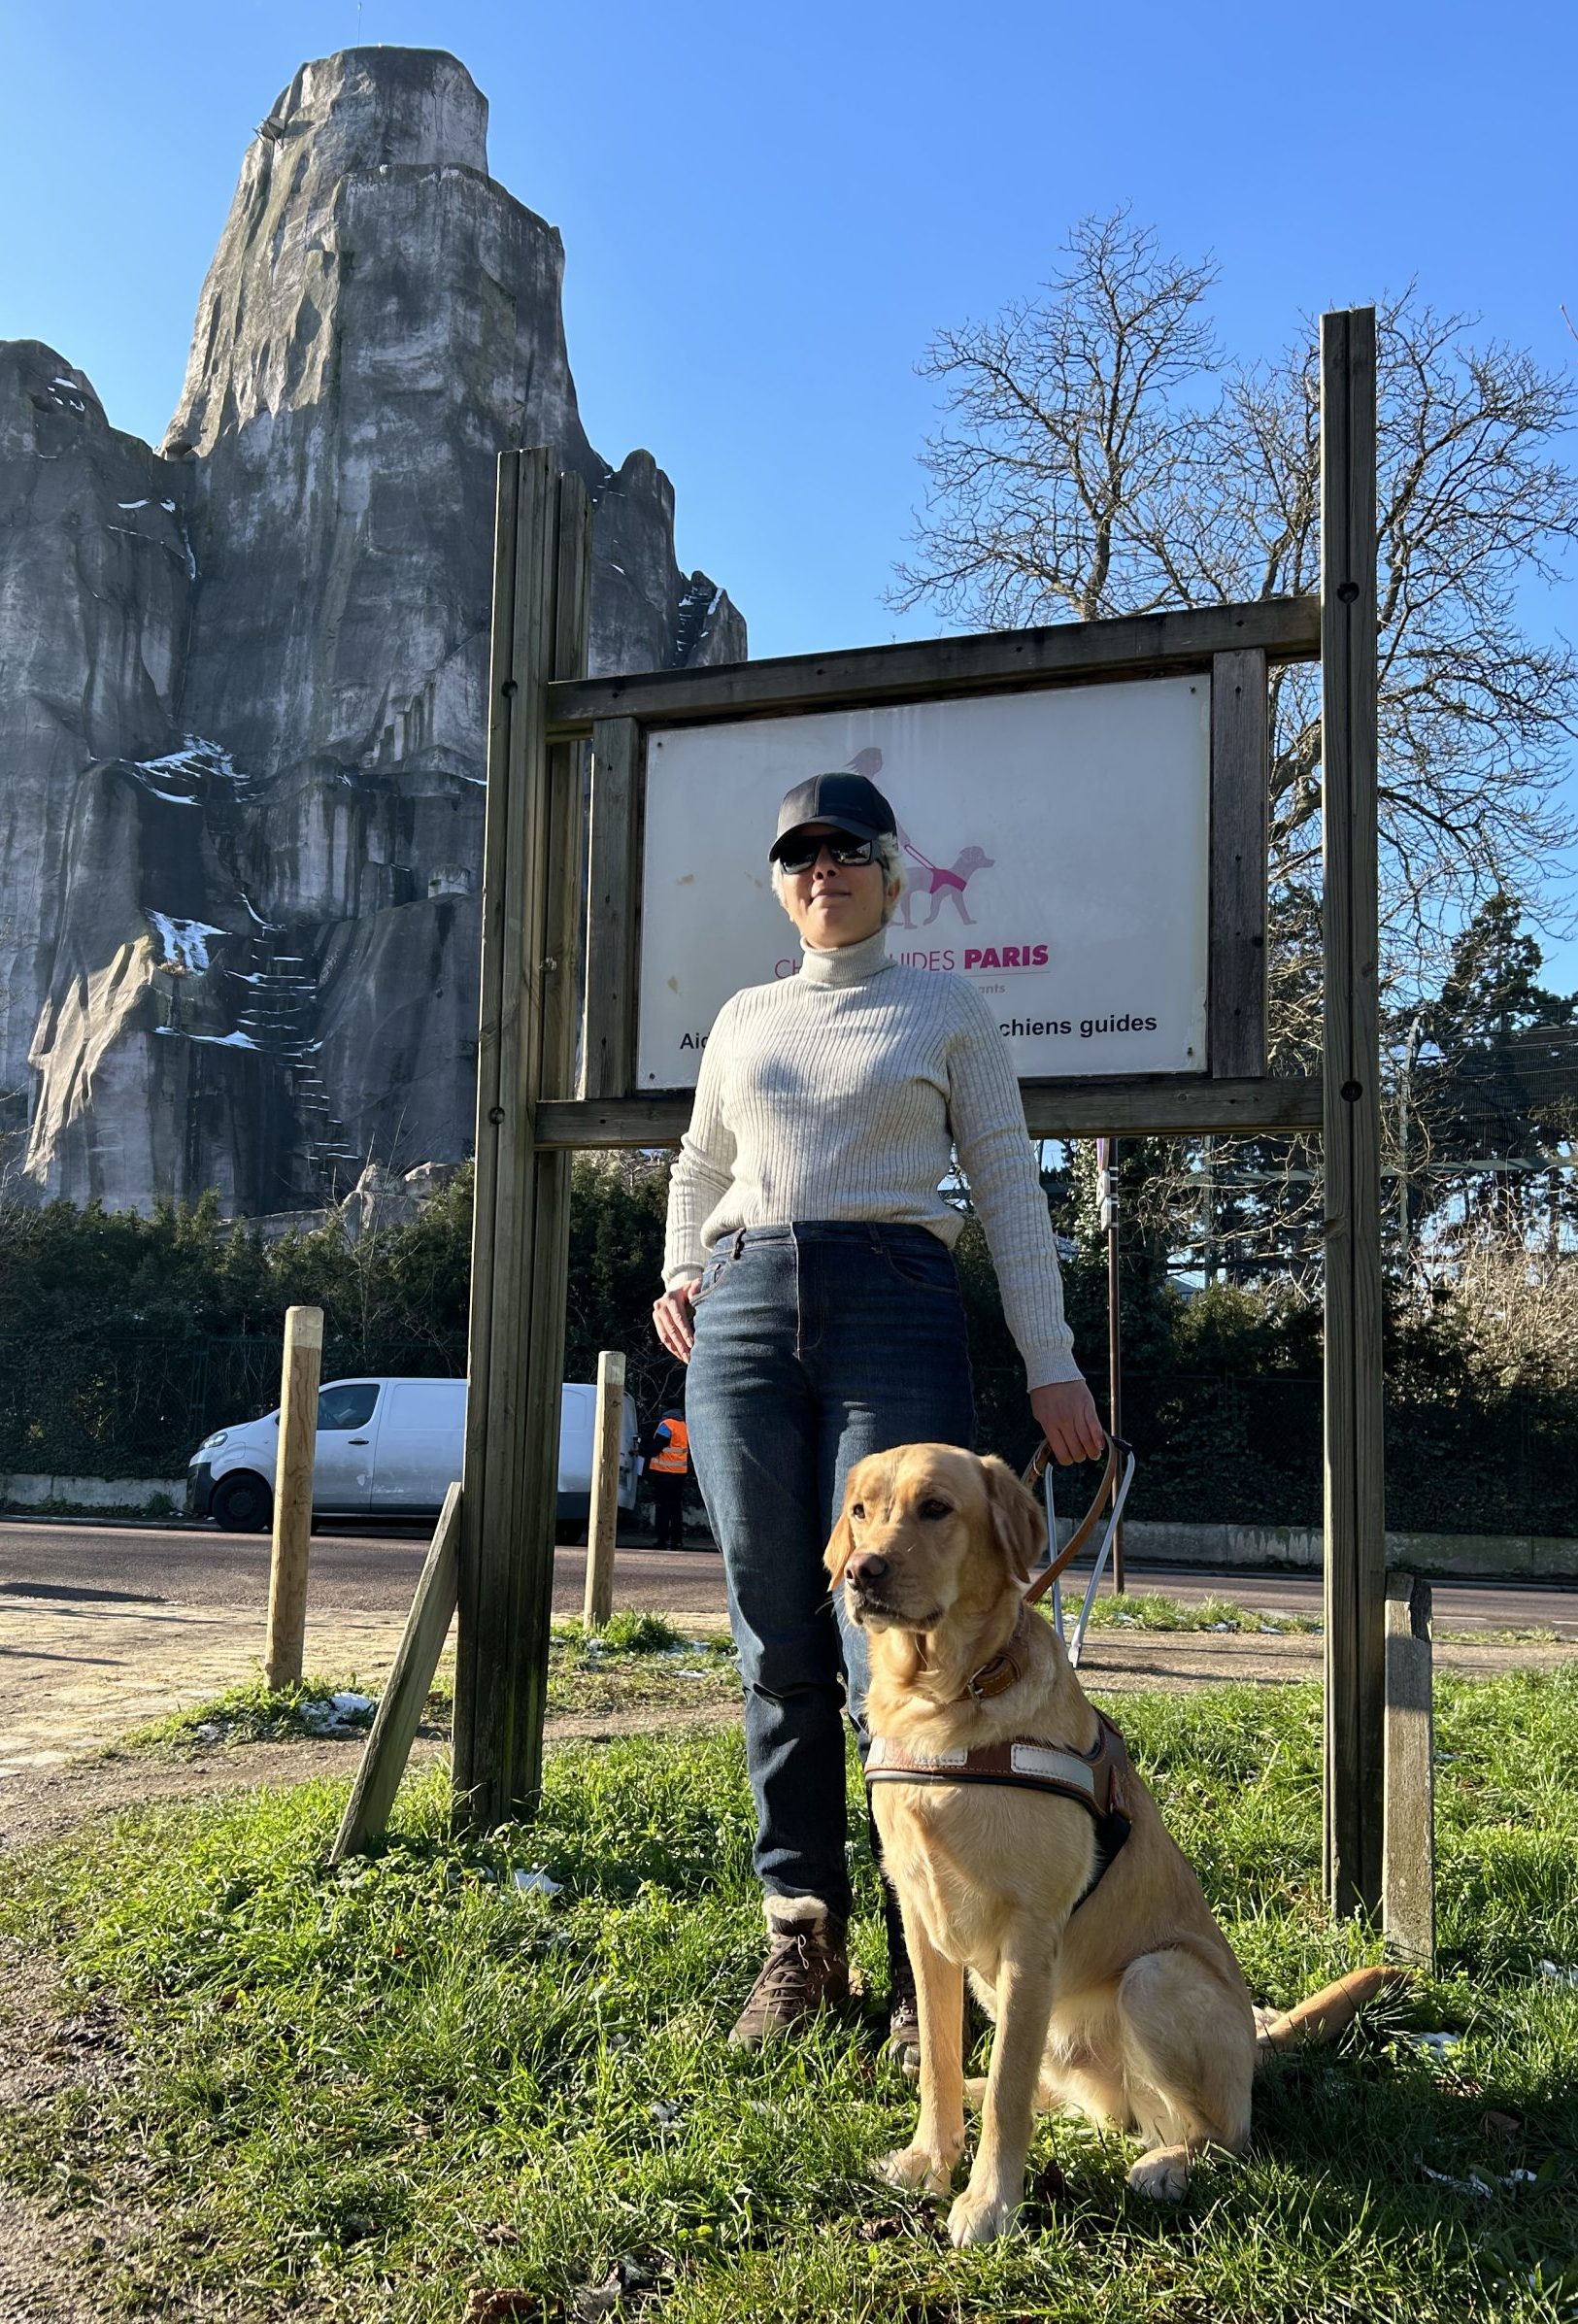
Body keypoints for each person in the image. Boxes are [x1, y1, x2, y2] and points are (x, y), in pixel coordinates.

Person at [652, 770, 1104, 2055]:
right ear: (780, 881)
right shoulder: (744, 1016)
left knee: (898, 1633)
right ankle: (803, 1934)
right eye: (799, 855)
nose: (822, 872)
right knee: (775, 1629)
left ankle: (935, 1951)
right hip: (742, 1320)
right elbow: (699, 1164)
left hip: (893, 1303)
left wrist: (1051, 1361)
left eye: (847, 852)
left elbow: (1010, 1188)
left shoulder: (946, 1008)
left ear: (891, 874)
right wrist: (682, 1270)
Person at [642, 1400, 690, 1551]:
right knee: (675, 1508)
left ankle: (662, 1539)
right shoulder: (684, 1426)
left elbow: (658, 1447)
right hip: (679, 1473)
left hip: (664, 1473)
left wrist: (642, 1450)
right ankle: (677, 1540)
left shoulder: (667, 1424)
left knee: (662, 1507)